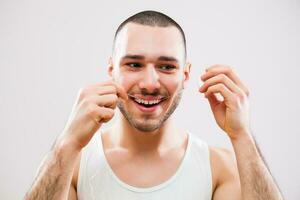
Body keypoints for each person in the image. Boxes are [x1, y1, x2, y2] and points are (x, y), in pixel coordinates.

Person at [25, 10, 283, 200]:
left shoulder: (220, 167)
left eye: (167, 66)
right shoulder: (73, 163)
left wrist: (242, 136)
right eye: (134, 64)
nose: (150, 83)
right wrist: (67, 143)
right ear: (112, 69)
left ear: (185, 74)